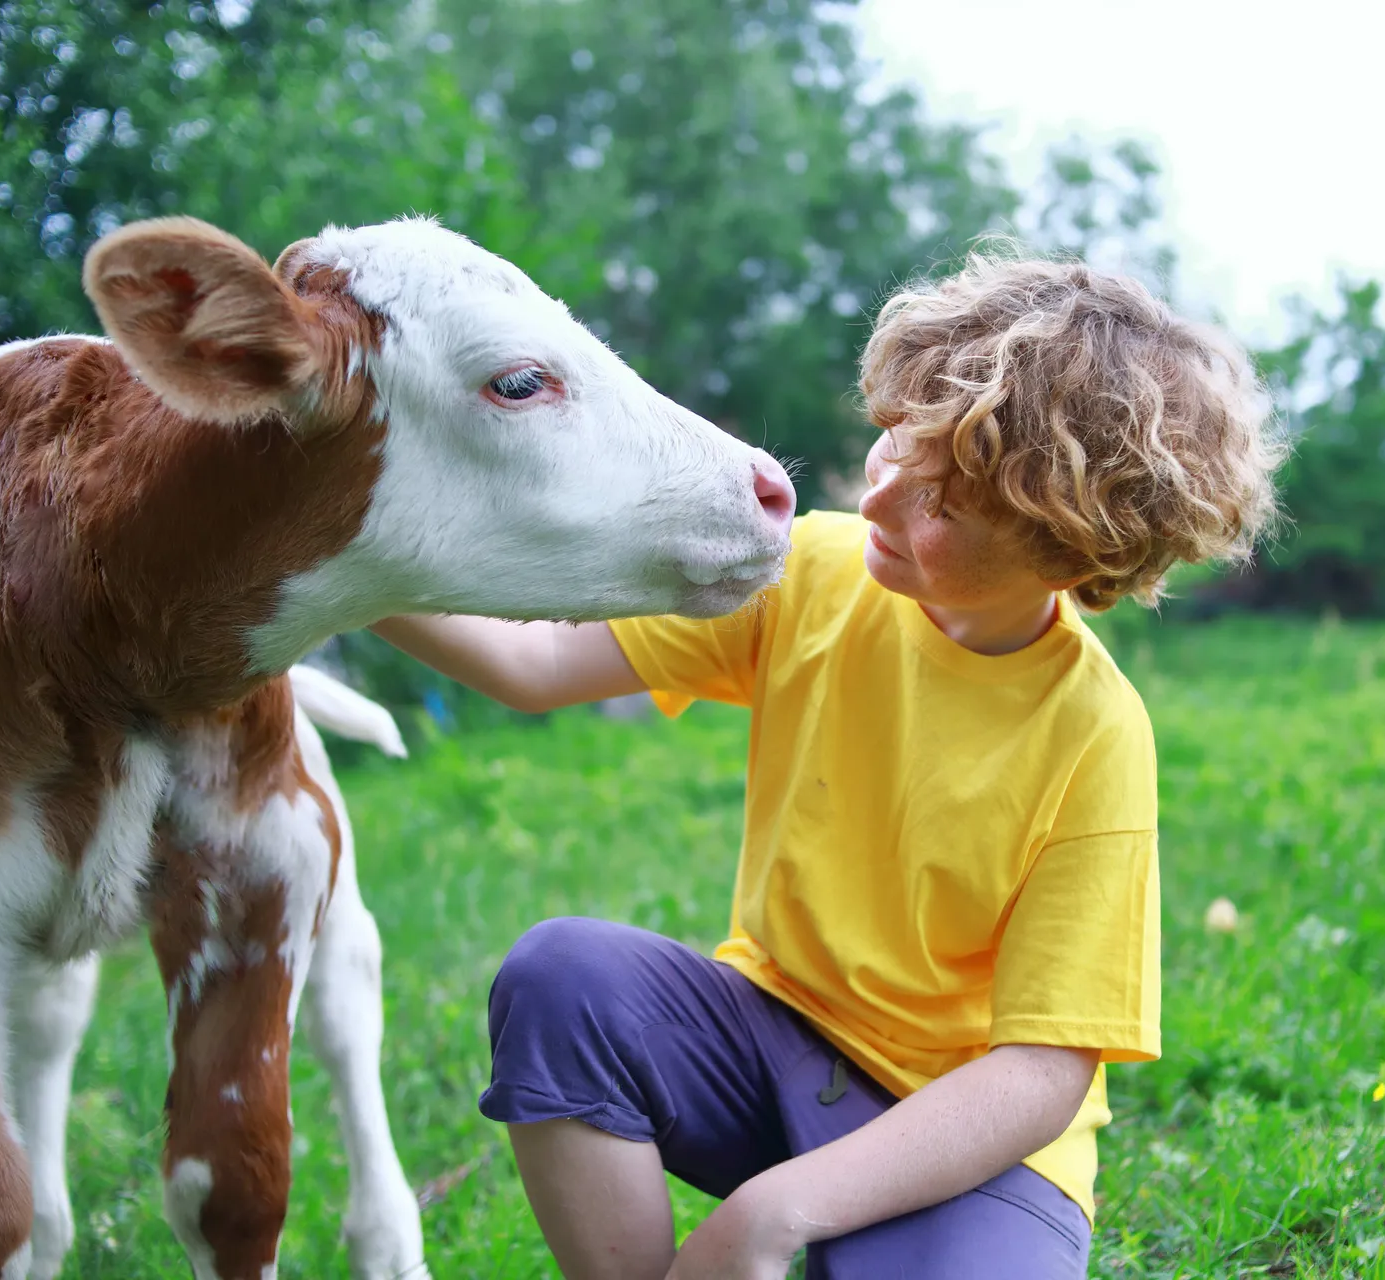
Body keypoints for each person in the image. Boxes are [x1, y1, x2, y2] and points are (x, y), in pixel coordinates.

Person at [374, 250, 1283, 1279]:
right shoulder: (812, 569)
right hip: (771, 1045)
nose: (882, 498)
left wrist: (776, 1209)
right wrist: (337, 553)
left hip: (976, 1144)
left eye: (943, 506)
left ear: (1070, 559)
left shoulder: (1095, 735)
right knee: (563, 975)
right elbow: (536, 662)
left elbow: (1040, 1071)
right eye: (898, 441)